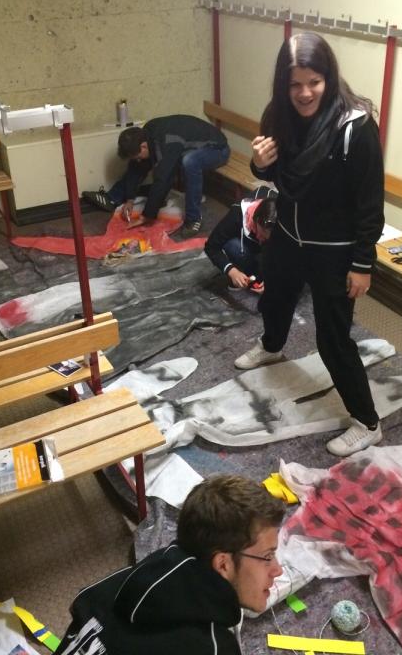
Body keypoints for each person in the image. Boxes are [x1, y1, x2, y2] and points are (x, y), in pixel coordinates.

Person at [235, 31, 385, 458]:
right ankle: (271, 347)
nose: (304, 93)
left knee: (332, 339)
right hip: (288, 234)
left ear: (329, 78)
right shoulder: (278, 115)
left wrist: (362, 264)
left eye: (314, 82)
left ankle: (367, 422)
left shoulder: (355, 126)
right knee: (275, 300)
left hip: (334, 250)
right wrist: (258, 164)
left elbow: (370, 203)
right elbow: (278, 175)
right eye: (295, 84)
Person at [55, 474, 285, 655]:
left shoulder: (119, 583)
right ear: (223, 564)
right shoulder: (213, 648)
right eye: (267, 557)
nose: (278, 570)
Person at [84, 115, 230, 240]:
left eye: (137, 155)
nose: (138, 159)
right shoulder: (147, 133)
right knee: (142, 163)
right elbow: (137, 168)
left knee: (190, 162)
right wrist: (130, 198)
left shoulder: (168, 142)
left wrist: (147, 215)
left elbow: (164, 179)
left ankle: (194, 219)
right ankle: (113, 197)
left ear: (143, 146)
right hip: (189, 146)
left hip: (217, 149)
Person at [204, 187, 277, 291]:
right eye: (261, 234)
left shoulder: (286, 220)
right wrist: (231, 271)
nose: (262, 239)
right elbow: (211, 247)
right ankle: (246, 271)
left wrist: (273, 279)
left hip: (268, 253)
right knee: (232, 245)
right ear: (256, 220)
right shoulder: (235, 216)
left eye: (268, 238)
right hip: (247, 247)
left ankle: (261, 274)